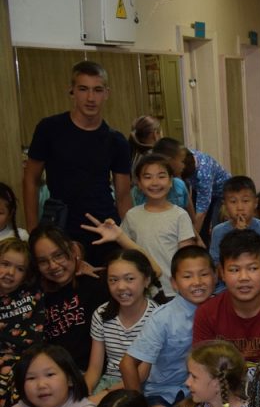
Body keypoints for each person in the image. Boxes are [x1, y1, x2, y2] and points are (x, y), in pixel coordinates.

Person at [22, 60, 132, 264]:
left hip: (104, 227)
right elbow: (31, 179)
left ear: (106, 93)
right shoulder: (49, 129)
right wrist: (33, 230)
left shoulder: (116, 140)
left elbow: (123, 197)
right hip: (61, 226)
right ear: (72, 91)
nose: (90, 98)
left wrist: (128, 238)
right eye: (83, 89)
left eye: (97, 90)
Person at [121, 246, 216, 407]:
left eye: (204, 274)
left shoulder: (221, 309)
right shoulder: (163, 318)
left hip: (206, 392)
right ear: (174, 283)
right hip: (163, 393)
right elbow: (127, 364)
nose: (197, 282)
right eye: (187, 276)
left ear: (215, 276)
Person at [193, 229, 260, 365]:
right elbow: (204, 370)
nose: (244, 277)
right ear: (222, 272)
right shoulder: (206, 313)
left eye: (252, 268)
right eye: (234, 270)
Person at [30, 224, 107, 372]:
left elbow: (150, 275)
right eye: (43, 261)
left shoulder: (96, 283)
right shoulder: (37, 296)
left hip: (94, 373)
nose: (53, 266)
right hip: (55, 374)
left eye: (58, 255)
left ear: (73, 250)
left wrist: (121, 238)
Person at [85, 250, 161, 396]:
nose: (120, 287)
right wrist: (83, 396)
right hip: (109, 382)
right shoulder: (101, 314)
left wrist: (104, 395)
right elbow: (94, 369)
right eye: (113, 280)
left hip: (143, 386)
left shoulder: (157, 317)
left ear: (146, 280)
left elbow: (141, 374)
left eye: (129, 279)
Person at [120, 153, 198, 294]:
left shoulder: (180, 215)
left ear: (171, 181)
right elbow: (126, 253)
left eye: (161, 176)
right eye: (147, 177)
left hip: (173, 291)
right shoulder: (132, 216)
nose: (155, 182)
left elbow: (186, 258)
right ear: (139, 183)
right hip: (143, 292)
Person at [0, 238, 44, 407]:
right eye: (5, 264)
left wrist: (79, 266)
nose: (10, 273)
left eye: (19, 269)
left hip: (32, 359)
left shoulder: (33, 290)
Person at [208, 176, 260, 270]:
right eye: (233, 201)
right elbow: (216, 265)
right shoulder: (218, 231)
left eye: (245, 201)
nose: (240, 207)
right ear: (224, 204)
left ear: (255, 202)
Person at [183, 146, 231, 243]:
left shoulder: (204, 176)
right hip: (202, 189)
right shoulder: (186, 155)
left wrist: (192, 242)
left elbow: (201, 213)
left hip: (222, 194)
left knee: (215, 226)